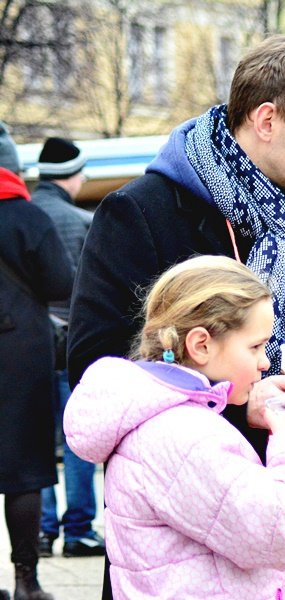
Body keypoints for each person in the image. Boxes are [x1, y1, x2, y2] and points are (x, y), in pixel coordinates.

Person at [67, 35, 285, 600]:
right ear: (266, 120)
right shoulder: (142, 213)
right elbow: (100, 367)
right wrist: (234, 401)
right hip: (185, 523)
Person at [63, 255, 285, 599]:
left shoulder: (165, 418)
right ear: (201, 344)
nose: (265, 361)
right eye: (255, 346)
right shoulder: (182, 435)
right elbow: (273, 534)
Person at [0, 121, 71, 600]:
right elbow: (61, 283)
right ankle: (27, 580)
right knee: (22, 469)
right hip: (19, 353)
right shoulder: (27, 219)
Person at [29, 137, 104, 559]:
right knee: (77, 439)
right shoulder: (81, 220)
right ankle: (78, 531)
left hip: (28, 345)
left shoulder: (21, 215)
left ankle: (42, 532)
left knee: (37, 440)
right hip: (73, 343)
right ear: (73, 176)